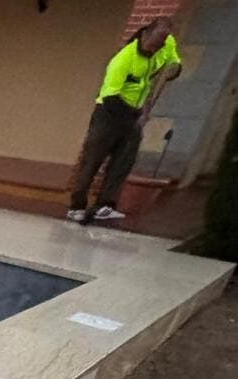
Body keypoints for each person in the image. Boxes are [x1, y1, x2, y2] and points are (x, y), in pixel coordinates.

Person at [66, 16, 181, 224]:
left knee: (123, 162)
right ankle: (76, 207)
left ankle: (105, 205)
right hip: (109, 113)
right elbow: (110, 96)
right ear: (145, 34)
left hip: (134, 114)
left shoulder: (167, 43)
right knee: (92, 160)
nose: (156, 49)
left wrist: (173, 69)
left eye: (161, 45)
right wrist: (134, 116)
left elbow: (174, 62)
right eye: (154, 44)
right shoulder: (123, 59)